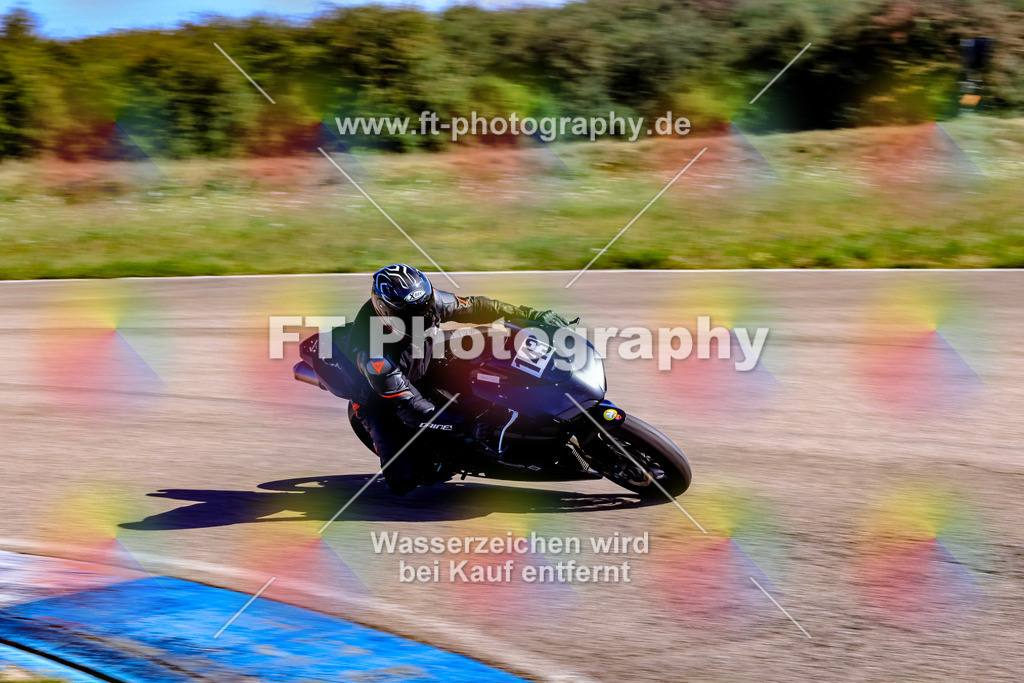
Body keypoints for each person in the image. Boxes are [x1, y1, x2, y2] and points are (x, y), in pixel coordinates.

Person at [332, 263, 569, 495]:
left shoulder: (428, 302)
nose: (424, 316)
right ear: (386, 312)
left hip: (422, 360)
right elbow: (410, 407)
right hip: (381, 399)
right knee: (405, 481)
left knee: (487, 351)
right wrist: (465, 424)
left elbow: (477, 306)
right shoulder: (373, 354)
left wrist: (531, 315)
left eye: (425, 307)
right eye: (412, 315)